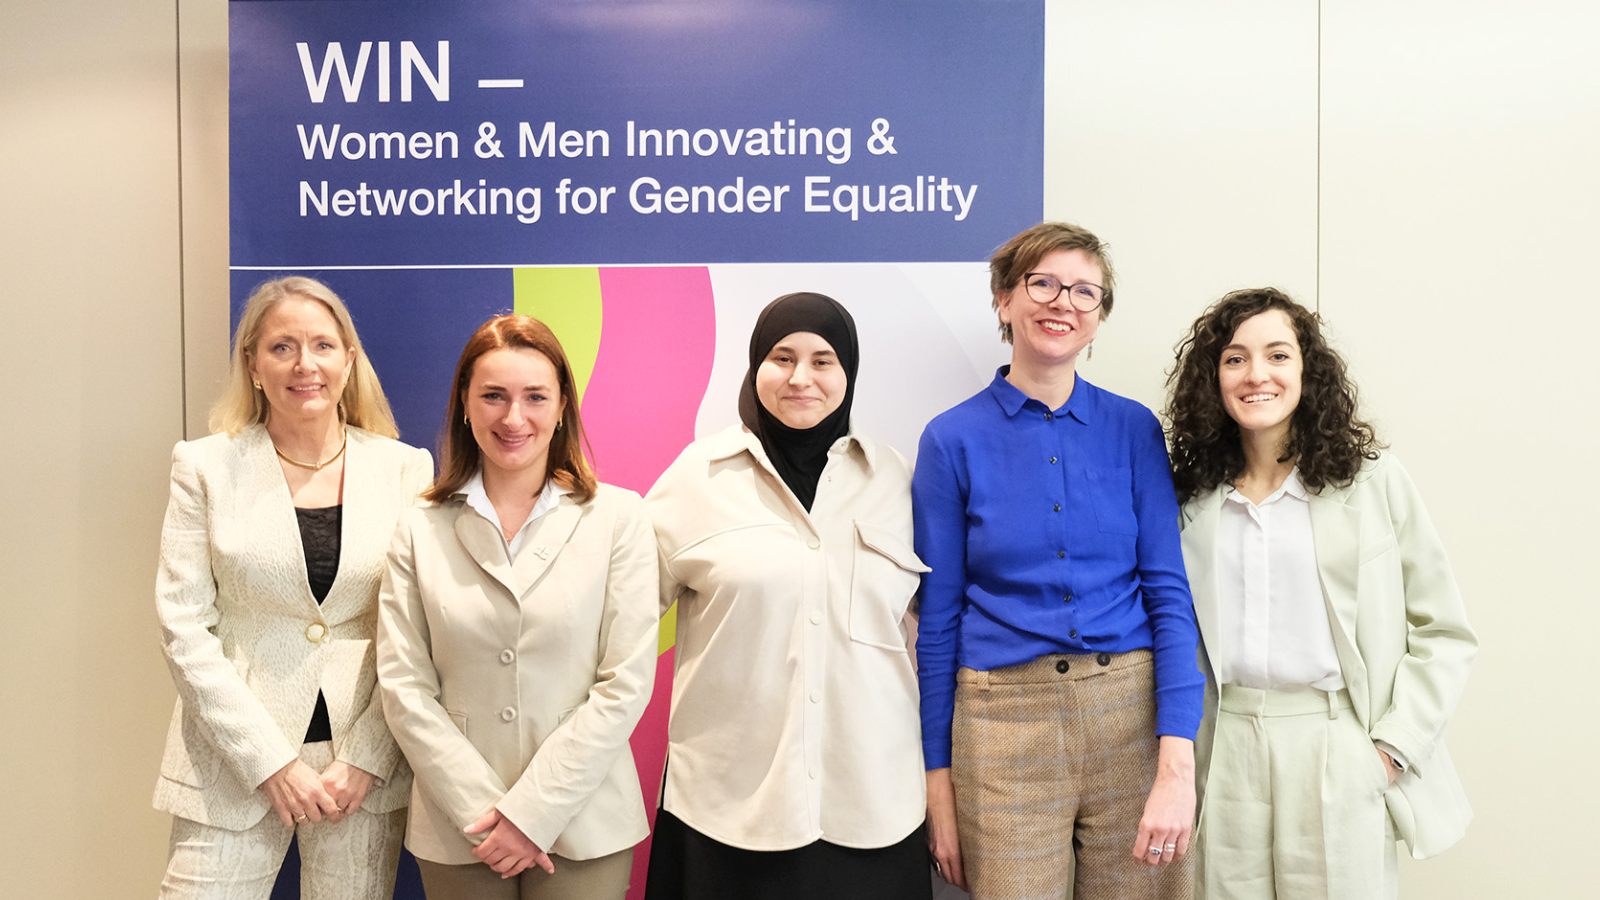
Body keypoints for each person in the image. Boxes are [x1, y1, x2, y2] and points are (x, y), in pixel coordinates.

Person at [914, 222, 1203, 900]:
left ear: (1098, 315)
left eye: (1083, 291)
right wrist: (938, 784)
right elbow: (938, 620)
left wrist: (1177, 758)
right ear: (1004, 299)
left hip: (1130, 715)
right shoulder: (950, 439)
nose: (1062, 302)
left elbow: (1169, 594)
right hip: (1001, 725)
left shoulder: (1134, 429)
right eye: (1042, 283)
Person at [1165, 287, 1476, 899]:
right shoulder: (1190, 496)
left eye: (1278, 355)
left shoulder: (1371, 482)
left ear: (1308, 371)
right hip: (1223, 746)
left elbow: (1444, 629)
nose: (1257, 375)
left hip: (1337, 742)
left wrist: (1393, 748)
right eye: (1235, 359)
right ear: (1213, 378)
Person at [643, 292, 930, 900]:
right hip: (728, 810)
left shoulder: (896, 481)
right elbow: (620, 621)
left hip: (873, 802)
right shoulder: (698, 477)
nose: (801, 378)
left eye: (823, 361)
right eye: (782, 358)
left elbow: (941, 622)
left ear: (849, 373)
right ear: (756, 367)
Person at [153, 276, 432, 899]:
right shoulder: (204, 467)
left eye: (322, 346)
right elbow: (182, 627)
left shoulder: (404, 470)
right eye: (282, 347)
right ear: (253, 365)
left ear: (348, 361)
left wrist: (368, 756)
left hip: (358, 774)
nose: (305, 364)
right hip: (231, 762)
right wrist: (269, 762)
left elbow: (417, 633)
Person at [377, 314, 658, 900]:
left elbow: (625, 682)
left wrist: (533, 811)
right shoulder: (420, 526)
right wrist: (483, 811)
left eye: (535, 397)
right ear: (464, 403)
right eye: (493, 396)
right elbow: (404, 686)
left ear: (562, 407)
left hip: (585, 820)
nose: (513, 418)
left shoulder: (619, 518)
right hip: (461, 826)